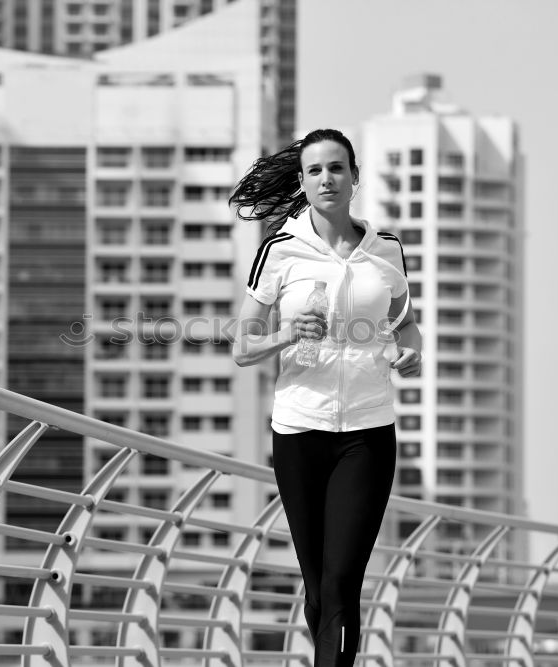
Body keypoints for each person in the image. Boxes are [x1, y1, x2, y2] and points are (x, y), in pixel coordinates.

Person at [230, 128, 422, 667]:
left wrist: (411, 352)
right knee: (317, 587)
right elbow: (242, 346)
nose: (326, 178)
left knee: (341, 582)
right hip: (299, 432)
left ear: (355, 177)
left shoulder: (387, 250)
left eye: (336, 168)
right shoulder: (280, 250)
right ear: (302, 181)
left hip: (368, 432)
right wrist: (289, 333)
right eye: (314, 170)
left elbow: (407, 326)